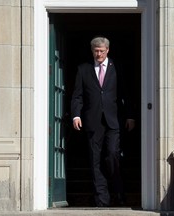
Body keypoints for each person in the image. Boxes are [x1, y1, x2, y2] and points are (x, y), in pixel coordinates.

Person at [71, 36, 135, 207]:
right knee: (95, 160)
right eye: (95, 51)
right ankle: (102, 199)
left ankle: (119, 193)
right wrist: (76, 115)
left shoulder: (117, 68)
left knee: (112, 155)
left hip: (114, 121)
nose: (98, 54)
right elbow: (77, 95)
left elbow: (125, 93)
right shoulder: (83, 69)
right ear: (92, 51)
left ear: (108, 50)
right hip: (93, 122)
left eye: (101, 51)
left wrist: (130, 115)